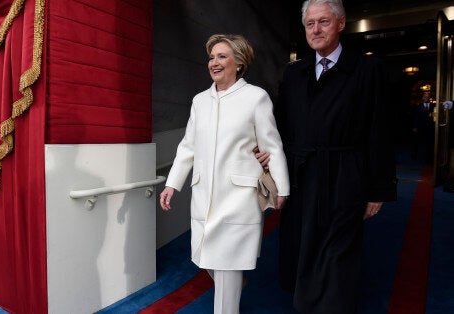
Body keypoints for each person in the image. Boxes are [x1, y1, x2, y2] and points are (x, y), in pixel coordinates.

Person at [268, 1, 397, 313]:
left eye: (323, 21)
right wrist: (274, 174)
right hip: (301, 176)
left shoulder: (367, 70)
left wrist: (378, 189)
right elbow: (280, 130)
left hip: (346, 176)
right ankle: (306, 301)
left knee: (338, 252)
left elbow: (380, 131)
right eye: (310, 24)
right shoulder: (294, 73)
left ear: (341, 23)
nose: (316, 30)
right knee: (302, 244)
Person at [159, 34, 290, 313]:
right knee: (206, 258)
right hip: (204, 194)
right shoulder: (199, 101)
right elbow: (188, 146)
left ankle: (230, 293)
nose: (214, 62)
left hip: (238, 198)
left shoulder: (256, 98)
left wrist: (282, 187)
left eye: (222, 56)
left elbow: (272, 145)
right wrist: (173, 184)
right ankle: (233, 283)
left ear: (239, 63)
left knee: (228, 264)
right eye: (211, 57)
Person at [412, 92, 435, 162]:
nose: (426, 98)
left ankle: (429, 157)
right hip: (420, 127)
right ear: (422, 98)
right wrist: (415, 127)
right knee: (418, 141)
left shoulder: (433, 105)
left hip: (430, 127)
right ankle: (415, 155)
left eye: (428, 97)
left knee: (430, 143)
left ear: (429, 98)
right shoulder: (419, 106)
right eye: (425, 97)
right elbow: (416, 117)